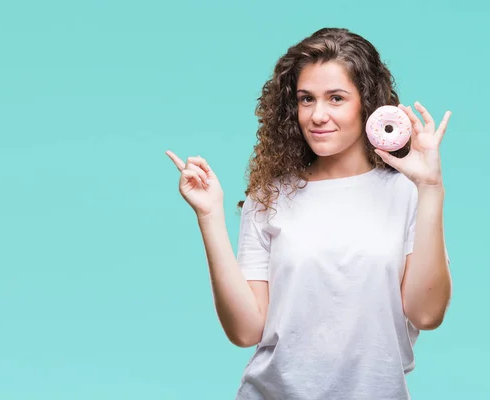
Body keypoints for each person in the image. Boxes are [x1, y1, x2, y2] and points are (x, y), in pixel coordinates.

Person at [166, 27, 452, 400]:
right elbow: (245, 331)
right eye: (306, 99)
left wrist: (431, 189)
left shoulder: (407, 193)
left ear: (367, 104)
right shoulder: (268, 196)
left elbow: (427, 314)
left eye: (336, 98)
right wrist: (210, 217)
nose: (317, 115)